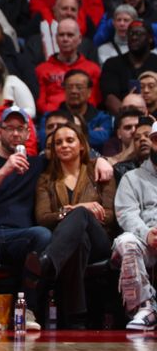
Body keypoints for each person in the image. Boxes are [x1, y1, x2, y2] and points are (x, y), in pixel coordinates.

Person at [0, 106, 80, 331]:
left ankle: (28, 308)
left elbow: (74, 154)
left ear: (28, 134)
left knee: (42, 234)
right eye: (9, 128)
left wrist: (102, 161)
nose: (15, 134)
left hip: (16, 235)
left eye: (20, 129)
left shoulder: (37, 165)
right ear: (0, 131)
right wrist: (4, 170)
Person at [30, 122, 115, 328]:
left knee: (81, 217)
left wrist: (79, 211)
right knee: (79, 240)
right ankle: (76, 319)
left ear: (82, 145)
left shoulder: (98, 171)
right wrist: (73, 209)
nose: (64, 146)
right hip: (68, 244)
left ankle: (47, 261)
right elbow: (43, 217)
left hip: (100, 240)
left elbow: (110, 215)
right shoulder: (46, 179)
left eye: (70, 140)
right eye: (58, 142)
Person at [111, 121, 157, 330]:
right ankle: (145, 308)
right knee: (126, 241)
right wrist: (147, 234)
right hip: (147, 242)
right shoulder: (132, 178)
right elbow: (126, 213)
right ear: (153, 142)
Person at [35, 19, 101, 114]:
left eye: (70, 35)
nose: (65, 39)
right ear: (56, 39)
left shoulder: (93, 69)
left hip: (84, 119)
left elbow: (94, 101)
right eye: (61, 35)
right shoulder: (41, 70)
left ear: (79, 39)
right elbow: (40, 104)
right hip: (52, 118)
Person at [100, 20, 157, 114]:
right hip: (122, 116)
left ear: (150, 38)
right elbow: (109, 97)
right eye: (131, 33)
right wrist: (127, 116)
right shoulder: (112, 64)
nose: (134, 37)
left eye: (139, 34)